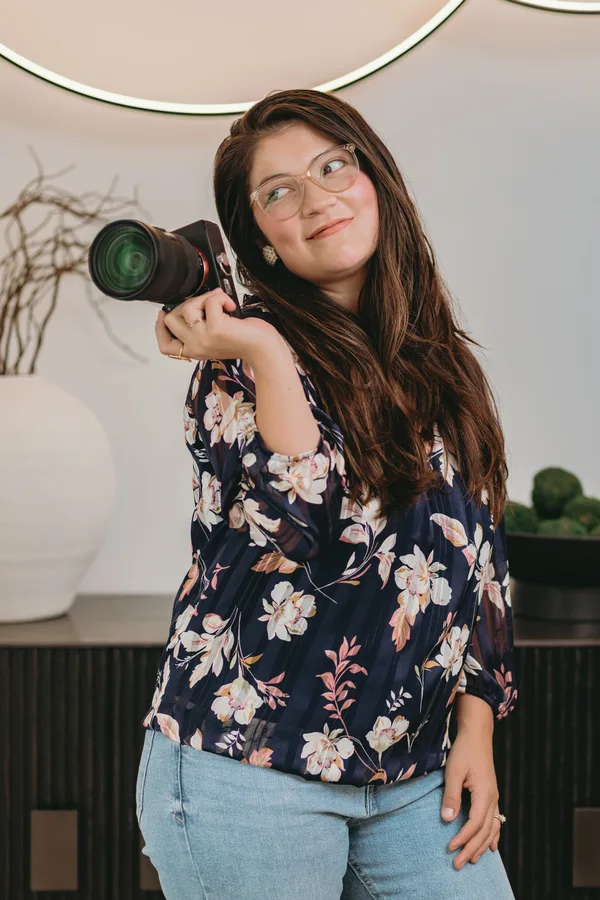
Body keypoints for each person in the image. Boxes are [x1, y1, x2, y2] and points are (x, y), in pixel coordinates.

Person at [135, 88, 518, 900]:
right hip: (248, 768)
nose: (315, 200)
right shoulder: (237, 361)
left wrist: (476, 728)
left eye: (332, 167)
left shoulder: (440, 360)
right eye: (278, 192)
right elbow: (302, 531)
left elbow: (481, 558)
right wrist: (267, 352)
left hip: (411, 778)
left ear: (374, 179)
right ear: (261, 243)